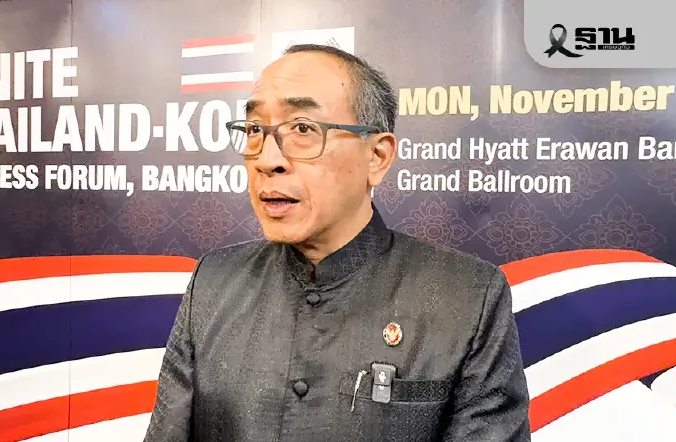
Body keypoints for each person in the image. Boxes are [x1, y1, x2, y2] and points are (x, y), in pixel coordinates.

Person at [143, 44, 531, 442]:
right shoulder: (214, 282)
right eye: (255, 129)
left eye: (303, 129)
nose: (267, 160)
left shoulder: (467, 297)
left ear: (376, 156)